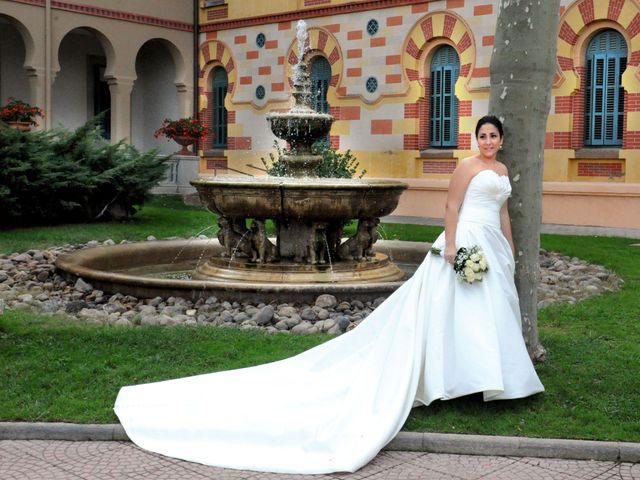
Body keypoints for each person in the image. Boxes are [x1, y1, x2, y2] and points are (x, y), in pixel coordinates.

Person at [114, 115, 544, 475]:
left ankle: (490, 379)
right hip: (465, 240)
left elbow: (503, 211)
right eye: (483, 136)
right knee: (457, 310)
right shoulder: (467, 167)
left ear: (501, 140)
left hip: (490, 243)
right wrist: (451, 246)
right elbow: (452, 208)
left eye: (493, 136)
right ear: (476, 139)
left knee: (485, 310)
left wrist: (508, 247)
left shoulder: (503, 172)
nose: (488, 142)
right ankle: (459, 378)